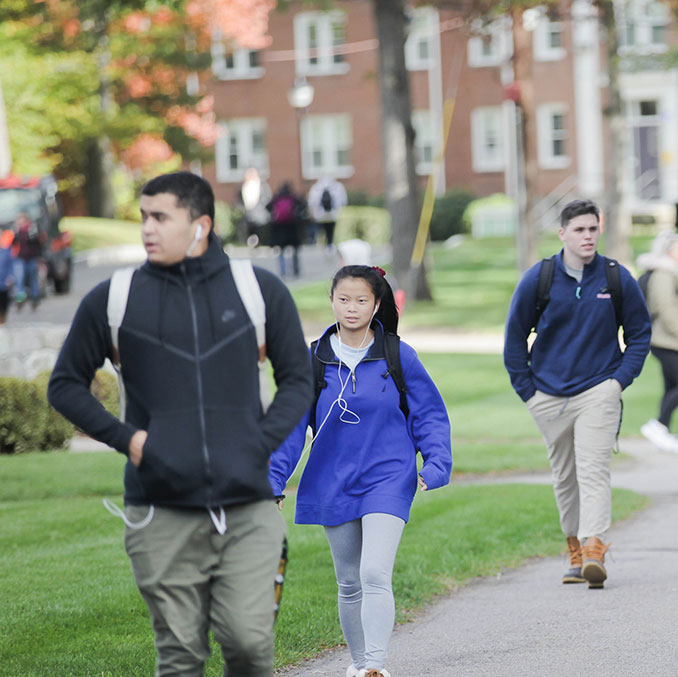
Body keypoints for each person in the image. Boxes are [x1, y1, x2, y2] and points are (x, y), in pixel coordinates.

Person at [48, 171, 312, 675]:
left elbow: (299, 380)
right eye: (144, 217)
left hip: (248, 507)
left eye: (160, 217)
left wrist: (259, 443)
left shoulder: (257, 290)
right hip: (159, 511)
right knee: (181, 657)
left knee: (250, 647)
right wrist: (130, 441)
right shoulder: (115, 299)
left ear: (201, 225)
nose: (147, 228)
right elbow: (65, 384)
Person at [270, 265, 452, 677]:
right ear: (332, 301)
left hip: (389, 476)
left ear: (377, 305)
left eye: (362, 300)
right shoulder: (314, 358)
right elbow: (291, 428)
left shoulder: (397, 354)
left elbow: (429, 415)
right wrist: (273, 482)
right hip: (332, 480)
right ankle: (357, 663)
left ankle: (375, 666)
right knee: (349, 581)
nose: (352, 308)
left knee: (373, 572)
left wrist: (436, 463)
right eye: (344, 299)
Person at [502, 199, 651, 589]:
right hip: (547, 396)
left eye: (593, 229)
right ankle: (574, 550)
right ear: (563, 233)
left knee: (593, 470)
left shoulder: (616, 277)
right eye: (579, 230)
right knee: (565, 477)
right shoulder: (540, 278)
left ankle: (594, 548)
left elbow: (639, 335)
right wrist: (528, 393)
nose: (588, 236)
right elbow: (515, 338)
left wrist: (618, 382)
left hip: (599, 391)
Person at [637, 231, 678, 454]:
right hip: (663, 339)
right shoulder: (665, 273)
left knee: (672, 385)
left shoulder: (673, 272)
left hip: (665, 338)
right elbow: (666, 307)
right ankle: (657, 425)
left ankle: (663, 430)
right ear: (668, 252)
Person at [268, 181, 305, 278]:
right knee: (294, 251)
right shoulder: (293, 197)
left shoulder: (276, 198)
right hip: (292, 227)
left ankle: (283, 271)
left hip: (279, 228)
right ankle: (295, 270)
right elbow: (303, 205)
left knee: (280, 251)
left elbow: (267, 207)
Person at [12, 213, 45, 310]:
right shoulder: (16, 232)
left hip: (32, 258)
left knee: (33, 279)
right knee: (19, 278)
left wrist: (40, 258)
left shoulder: (33, 231)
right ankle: (20, 297)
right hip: (20, 259)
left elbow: (39, 244)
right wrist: (16, 232)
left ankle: (35, 298)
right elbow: (13, 243)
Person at [308, 175, 348, 251]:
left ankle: (321, 244)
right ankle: (329, 245)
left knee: (320, 230)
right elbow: (344, 201)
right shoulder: (338, 186)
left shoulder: (316, 187)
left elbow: (311, 203)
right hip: (333, 215)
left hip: (319, 216)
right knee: (330, 230)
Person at [238, 167, 272, 247]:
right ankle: (253, 242)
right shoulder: (244, 186)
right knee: (251, 228)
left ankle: (262, 241)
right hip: (249, 212)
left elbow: (267, 198)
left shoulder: (262, 185)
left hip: (259, 212)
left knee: (260, 228)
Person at [0, 228, 15, 324]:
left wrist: (11, 276)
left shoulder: (6, 251)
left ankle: (3, 317)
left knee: (4, 302)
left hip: (4, 283)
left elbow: (11, 264)